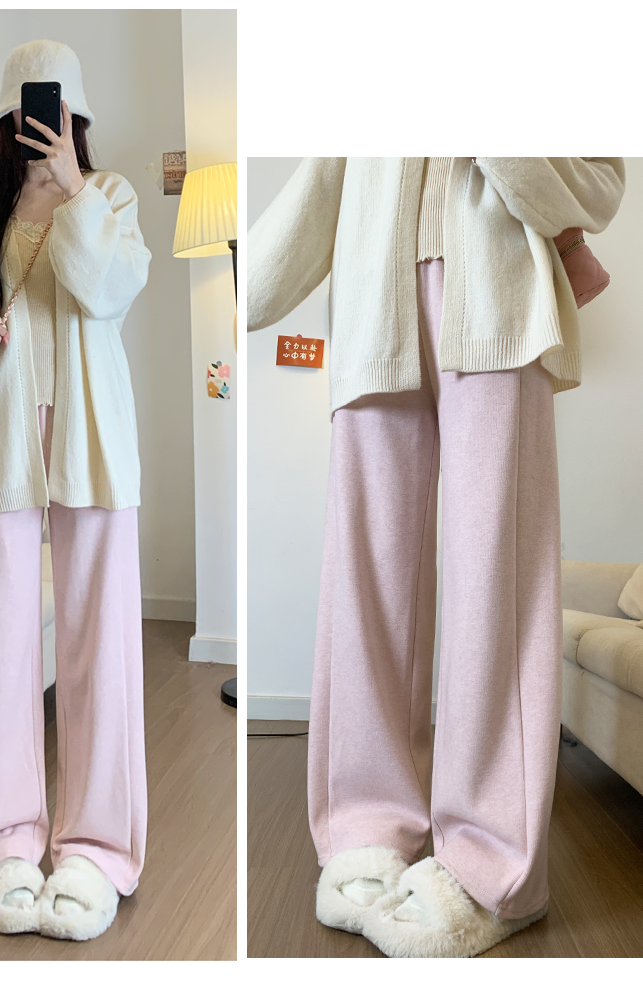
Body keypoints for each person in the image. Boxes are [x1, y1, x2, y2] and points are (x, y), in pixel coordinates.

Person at [248, 157, 625, 957]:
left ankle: (494, 867)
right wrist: (251, 282)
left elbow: (600, 181)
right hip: (369, 302)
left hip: (499, 294)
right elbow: (327, 172)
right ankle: (365, 827)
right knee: (366, 586)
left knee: (495, 581)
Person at [0, 40, 151, 942]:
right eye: (29, 108)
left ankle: (96, 848)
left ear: (75, 115)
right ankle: (1, 844)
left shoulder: (110, 195)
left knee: (101, 643)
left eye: (57, 110)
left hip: (91, 438)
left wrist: (71, 189)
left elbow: (109, 292)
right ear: (7, 114)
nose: (43, 123)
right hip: (0, 435)